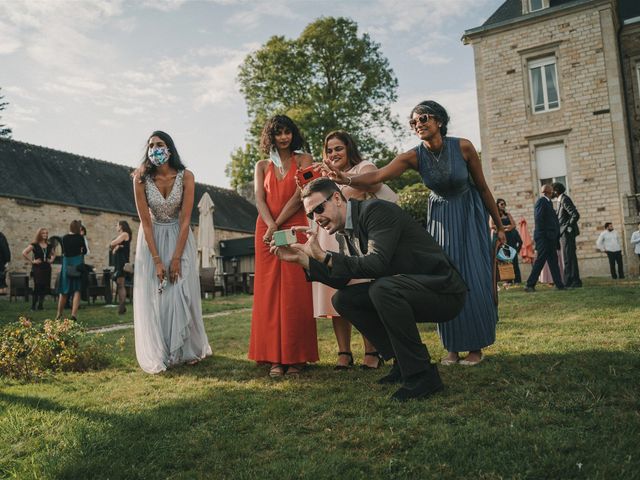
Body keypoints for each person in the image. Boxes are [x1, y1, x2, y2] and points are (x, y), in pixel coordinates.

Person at [325, 100, 503, 366]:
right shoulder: (413, 156)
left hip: (468, 214)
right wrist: (346, 179)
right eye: (413, 122)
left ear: (439, 121)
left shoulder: (464, 147)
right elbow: (378, 177)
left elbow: (483, 187)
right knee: (444, 276)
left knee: (472, 275)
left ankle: (475, 347)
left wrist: (498, 225)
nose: (418, 124)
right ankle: (453, 347)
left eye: (424, 118)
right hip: (440, 218)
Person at [272, 178, 467, 401]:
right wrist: (303, 260)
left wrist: (324, 256)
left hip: (443, 291)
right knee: (344, 300)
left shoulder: (376, 210)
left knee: (381, 289)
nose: (316, 219)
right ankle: (401, 363)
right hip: (407, 289)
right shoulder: (345, 231)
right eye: (310, 215)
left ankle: (422, 374)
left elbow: (377, 263)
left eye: (318, 209)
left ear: (337, 198)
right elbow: (343, 280)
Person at [314, 130, 397, 370]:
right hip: (329, 238)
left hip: (357, 239)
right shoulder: (324, 179)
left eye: (338, 148)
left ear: (349, 147)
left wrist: (339, 181)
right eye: (329, 150)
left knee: (361, 293)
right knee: (335, 296)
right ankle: (344, 351)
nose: (333, 153)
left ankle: (372, 350)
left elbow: (370, 185)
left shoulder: (363, 168)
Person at [132, 130, 211, 374]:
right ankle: (164, 350)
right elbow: (145, 221)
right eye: (151, 145)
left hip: (180, 236)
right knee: (159, 294)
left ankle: (187, 349)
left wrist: (176, 258)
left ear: (169, 148)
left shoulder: (186, 176)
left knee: (181, 290)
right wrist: (157, 260)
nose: (155, 148)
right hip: (152, 239)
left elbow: (186, 219)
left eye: (160, 144)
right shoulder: (139, 179)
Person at [248, 115, 318, 378]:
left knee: (294, 290)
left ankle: (296, 356)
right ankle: (274, 357)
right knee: (268, 293)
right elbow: (258, 198)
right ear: (271, 136)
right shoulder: (262, 165)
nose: (284, 137)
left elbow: (301, 196)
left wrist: (276, 224)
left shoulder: (305, 160)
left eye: (287, 132)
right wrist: (269, 226)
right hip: (265, 231)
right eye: (278, 133)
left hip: (293, 227)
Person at [524, 185, 565, 292]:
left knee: (553, 261)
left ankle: (559, 284)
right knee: (540, 261)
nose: (554, 193)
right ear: (548, 192)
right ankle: (529, 285)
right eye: (552, 191)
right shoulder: (541, 202)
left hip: (550, 238)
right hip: (544, 238)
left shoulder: (548, 202)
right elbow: (539, 219)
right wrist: (547, 235)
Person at [553, 182, 582, 288]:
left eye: (552, 190)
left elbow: (575, 214)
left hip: (567, 233)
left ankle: (571, 281)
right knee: (569, 257)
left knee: (569, 257)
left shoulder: (564, 199)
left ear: (556, 190)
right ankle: (573, 281)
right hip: (564, 233)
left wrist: (568, 227)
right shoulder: (560, 200)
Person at [56, 220, 86, 320]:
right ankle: (73, 315)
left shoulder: (64, 238)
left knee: (64, 290)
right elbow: (85, 251)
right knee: (77, 290)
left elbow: (64, 252)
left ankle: (59, 314)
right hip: (77, 266)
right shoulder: (80, 238)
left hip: (67, 265)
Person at [490, 198, 522, 284]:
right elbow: (492, 226)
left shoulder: (508, 215)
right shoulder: (494, 215)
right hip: (501, 239)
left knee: (514, 258)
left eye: (504, 204)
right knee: (505, 259)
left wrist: (503, 227)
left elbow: (513, 225)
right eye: (501, 204)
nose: (504, 206)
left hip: (510, 237)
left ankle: (517, 279)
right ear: (497, 205)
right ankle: (508, 280)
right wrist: (505, 227)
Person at [22, 228, 55, 311]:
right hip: (38, 268)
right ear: (39, 234)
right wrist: (33, 261)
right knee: (37, 286)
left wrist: (51, 260)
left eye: (46, 233)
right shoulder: (35, 244)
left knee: (44, 287)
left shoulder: (49, 245)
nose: (45, 235)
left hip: (47, 268)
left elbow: (54, 254)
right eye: (43, 233)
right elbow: (24, 252)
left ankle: (40, 306)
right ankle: (33, 306)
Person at [110, 220, 132, 315]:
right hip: (119, 263)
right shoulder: (122, 236)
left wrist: (116, 246)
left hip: (121, 263)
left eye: (117, 225)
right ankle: (122, 306)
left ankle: (122, 307)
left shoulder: (124, 234)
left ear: (121, 226)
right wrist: (117, 247)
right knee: (119, 284)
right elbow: (114, 247)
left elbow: (112, 243)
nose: (116, 227)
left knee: (121, 284)